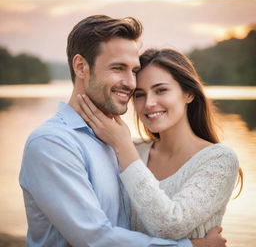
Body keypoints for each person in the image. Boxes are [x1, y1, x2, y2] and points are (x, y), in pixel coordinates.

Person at [19, 15, 226, 247]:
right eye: (118, 68)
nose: (130, 83)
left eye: (134, 70)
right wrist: (191, 246)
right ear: (81, 67)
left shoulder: (116, 140)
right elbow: (95, 239)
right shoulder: (52, 143)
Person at [77, 48, 243, 241]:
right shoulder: (131, 151)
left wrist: (122, 145)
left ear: (188, 93)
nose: (149, 104)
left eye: (161, 90)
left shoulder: (218, 159)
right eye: (139, 94)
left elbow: (169, 226)